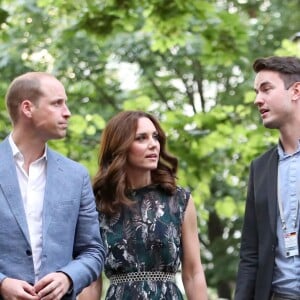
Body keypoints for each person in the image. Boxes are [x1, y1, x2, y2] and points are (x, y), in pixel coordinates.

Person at [78, 110, 208, 300]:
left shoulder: (178, 199)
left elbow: (193, 272)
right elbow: (91, 281)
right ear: (120, 146)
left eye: (155, 137)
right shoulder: (98, 203)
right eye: (141, 138)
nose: (153, 144)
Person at [0, 72, 105, 300]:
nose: (67, 112)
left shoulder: (75, 175)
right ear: (27, 108)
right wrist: (2, 283)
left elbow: (93, 251)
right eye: (57, 103)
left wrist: (68, 277)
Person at [235, 56, 300, 300]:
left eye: (266, 89)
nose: (257, 100)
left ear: (295, 91)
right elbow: (250, 253)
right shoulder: (260, 168)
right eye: (256, 91)